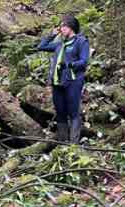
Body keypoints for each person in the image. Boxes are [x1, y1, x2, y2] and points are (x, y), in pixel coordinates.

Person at [37, 15, 89, 144]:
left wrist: (70, 65)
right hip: (57, 83)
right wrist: (52, 35)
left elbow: (83, 61)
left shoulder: (81, 41)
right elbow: (41, 46)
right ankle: (62, 143)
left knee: (73, 112)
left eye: (63, 26)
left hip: (73, 82)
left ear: (70, 27)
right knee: (60, 112)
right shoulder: (60, 44)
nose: (61, 29)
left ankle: (73, 144)